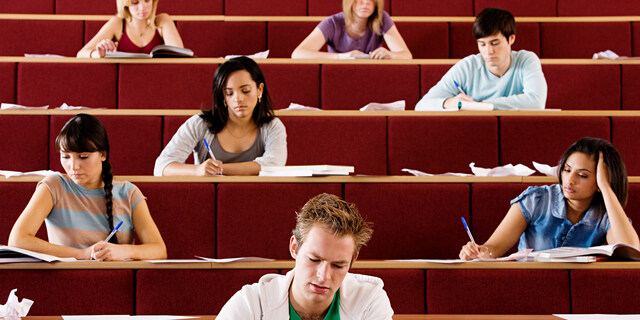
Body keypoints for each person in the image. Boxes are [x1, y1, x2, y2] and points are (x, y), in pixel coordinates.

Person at [8, 114, 166, 261]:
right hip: (66, 281)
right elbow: (17, 240)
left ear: (103, 155)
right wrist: (82, 254)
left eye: (83, 157)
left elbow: (159, 250)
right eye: (65, 156)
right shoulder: (53, 186)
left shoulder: (128, 192)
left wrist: (124, 251)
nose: (73, 166)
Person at [217, 193, 393, 319]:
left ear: (352, 261)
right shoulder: (251, 303)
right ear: (294, 247)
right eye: (314, 260)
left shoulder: (370, 301)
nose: (323, 276)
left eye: (338, 265)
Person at [460, 137, 640, 260]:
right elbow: (493, 249)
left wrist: (607, 188)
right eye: (567, 170)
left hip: (581, 289)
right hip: (530, 284)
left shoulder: (606, 213)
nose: (570, 180)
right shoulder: (536, 200)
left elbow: (632, 250)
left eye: (583, 176)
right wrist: (480, 252)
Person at [154, 56, 287, 176]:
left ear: (260, 90)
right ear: (223, 96)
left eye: (245, 91)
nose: (238, 98)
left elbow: (274, 165)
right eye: (229, 93)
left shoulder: (273, 126)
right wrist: (197, 170)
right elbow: (162, 167)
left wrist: (220, 168)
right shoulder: (199, 124)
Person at [415, 7, 547, 110]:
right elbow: (421, 106)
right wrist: (448, 102)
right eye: (482, 44)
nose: (488, 51)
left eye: (495, 43)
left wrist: (481, 105)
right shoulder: (467, 66)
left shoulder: (527, 60)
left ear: (511, 39)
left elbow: (536, 102)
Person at [291, 0, 412, 59]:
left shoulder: (382, 18)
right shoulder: (332, 23)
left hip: (371, 77)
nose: (365, 3)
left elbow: (407, 56)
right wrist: (342, 57)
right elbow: (298, 54)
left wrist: (391, 55)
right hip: (336, 76)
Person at [76, 0, 183, 58]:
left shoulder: (162, 21)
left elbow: (181, 58)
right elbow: (81, 54)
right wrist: (98, 54)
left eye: (147, 0)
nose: (142, 7)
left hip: (158, 81)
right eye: (135, 2)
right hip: (127, 81)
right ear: (125, 3)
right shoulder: (118, 23)